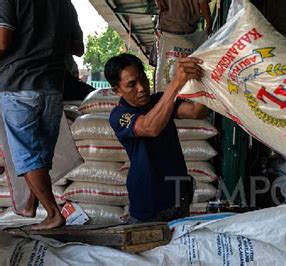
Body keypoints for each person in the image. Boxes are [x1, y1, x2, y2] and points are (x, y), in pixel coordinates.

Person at [0, 0, 83, 230]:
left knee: (27, 156)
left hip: (18, 85)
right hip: (53, 88)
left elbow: (2, 42)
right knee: (41, 154)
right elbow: (78, 48)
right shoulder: (64, 4)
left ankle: (53, 213)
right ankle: (30, 203)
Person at [105, 53, 208, 223]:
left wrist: (207, 80)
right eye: (131, 85)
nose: (142, 88)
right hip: (148, 200)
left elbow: (197, 111)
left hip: (178, 194)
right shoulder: (119, 115)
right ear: (117, 90)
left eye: (143, 79)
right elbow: (150, 127)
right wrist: (175, 84)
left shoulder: (160, 99)